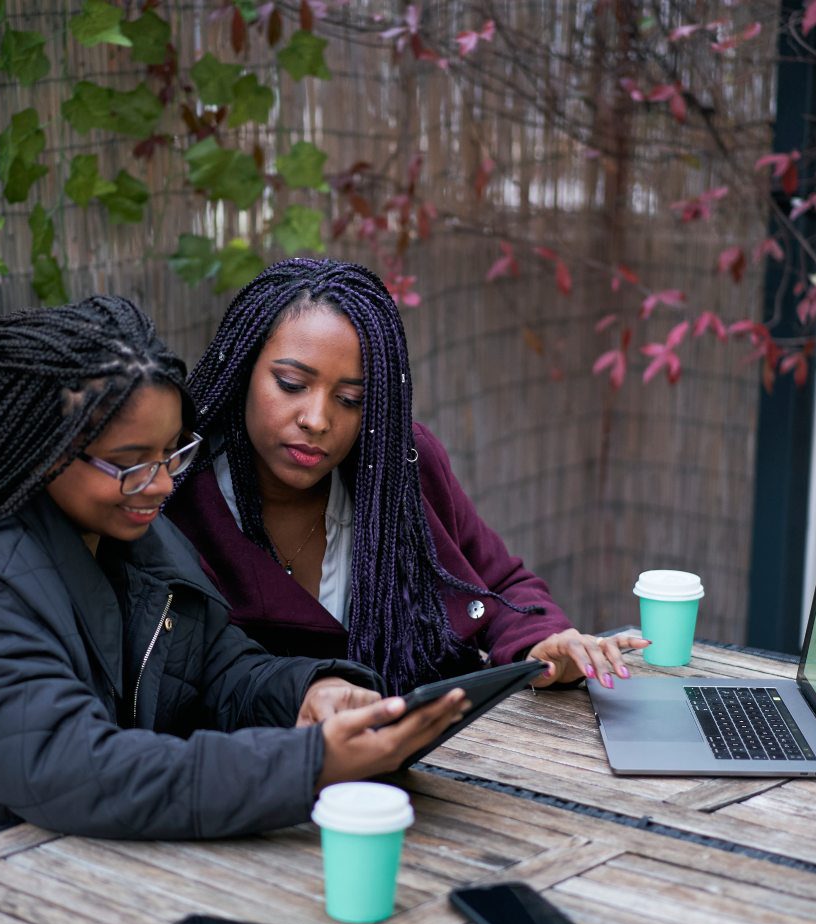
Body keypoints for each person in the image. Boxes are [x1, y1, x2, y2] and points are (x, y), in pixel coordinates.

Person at [0, 295, 464, 877]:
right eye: (130, 463)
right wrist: (306, 764)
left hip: (55, 864)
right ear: (42, 452)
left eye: (173, 453)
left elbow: (220, 668)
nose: (164, 484)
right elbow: (81, 769)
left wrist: (310, 693)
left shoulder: (130, 530)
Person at [167, 258, 647, 697]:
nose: (316, 419)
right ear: (242, 369)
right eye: (292, 385)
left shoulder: (402, 468)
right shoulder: (174, 496)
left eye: (351, 398)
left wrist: (543, 644)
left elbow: (499, 583)